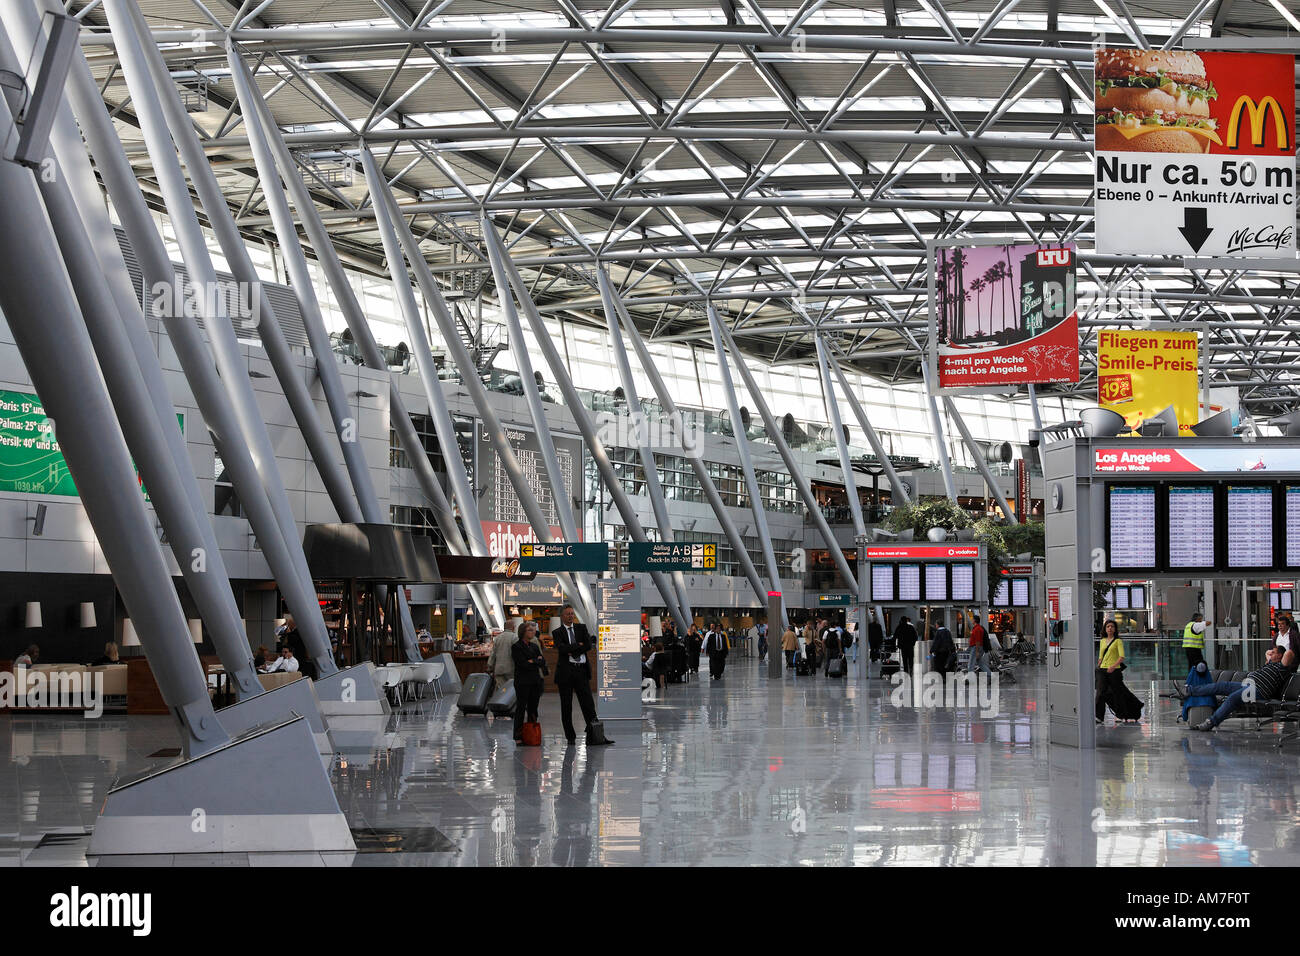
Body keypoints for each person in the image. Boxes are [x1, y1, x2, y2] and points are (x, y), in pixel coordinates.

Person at [1192, 643, 1298, 731]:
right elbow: (1267, 653)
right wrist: (1272, 653)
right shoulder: (1270, 663)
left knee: (1233, 698)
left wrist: (1280, 650)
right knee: (1221, 685)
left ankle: (1211, 722)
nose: (1270, 653)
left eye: (1274, 652)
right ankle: (1190, 690)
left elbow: (1289, 653)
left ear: (1280, 656)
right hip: (1247, 684)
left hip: (1258, 690)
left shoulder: (1282, 668)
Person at [551, 604, 612, 745]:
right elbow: (562, 649)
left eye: (572, 613)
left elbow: (588, 646)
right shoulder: (557, 632)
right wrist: (578, 646)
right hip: (565, 673)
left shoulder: (581, 628)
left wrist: (575, 649)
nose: (571, 616)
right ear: (562, 616)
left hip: (581, 671)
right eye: (568, 614)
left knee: (588, 705)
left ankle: (596, 736)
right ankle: (571, 737)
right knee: (566, 706)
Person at [1095, 619, 1141, 724]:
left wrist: (1113, 666)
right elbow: (1101, 656)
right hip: (1102, 670)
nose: (1110, 628)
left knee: (1117, 693)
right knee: (1100, 693)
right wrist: (1099, 664)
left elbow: (1121, 657)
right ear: (1105, 629)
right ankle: (1098, 716)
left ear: (1115, 629)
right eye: (1108, 626)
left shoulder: (1118, 641)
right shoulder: (1102, 641)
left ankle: (1121, 714)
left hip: (1114, 671)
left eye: (1112, 626)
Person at [511, 620, 548, 744]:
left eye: (533, 630)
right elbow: (522, 664)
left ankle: (532, 734)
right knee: (521, 708)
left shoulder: (534, 646)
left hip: (535, 681)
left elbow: (542, 661)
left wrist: (533, 661)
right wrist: (534, 661)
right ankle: (518, 736)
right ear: (523, 632)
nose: (533, 632)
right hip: (522, 681)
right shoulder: (516, 646)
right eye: (530, 630)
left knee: (533, 708)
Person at [276, 614, 313, 679]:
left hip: (296, 657)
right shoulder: (299, 632)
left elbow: (278, 633)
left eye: (289, 624)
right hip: (300, 657)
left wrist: (287, 630)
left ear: (293, 624)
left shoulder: (294, 634)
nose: (288, 625)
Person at [487, 624, 517, 692]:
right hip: (511, 669)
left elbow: (493, 654)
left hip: (499, 669)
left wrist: (490, 666)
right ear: (513, 628)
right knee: (510, 691)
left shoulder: (497, 638)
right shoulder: (515, 637)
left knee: (501, 691)